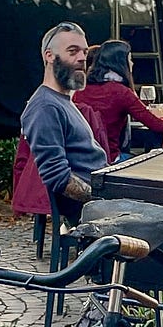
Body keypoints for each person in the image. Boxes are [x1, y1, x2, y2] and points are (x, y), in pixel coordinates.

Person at [13, 21, 108, 221]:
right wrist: (103, 200)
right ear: (49, 56)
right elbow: (58, 177)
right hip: (94, 211)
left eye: (84, 52)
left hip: (105, 195)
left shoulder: (62, 101)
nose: (82, 58)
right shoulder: (45, 107)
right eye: (73, 51)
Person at [73, 39, 163, 160]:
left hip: (82, 158)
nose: (132, 64)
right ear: (121, 63)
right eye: (129, 60)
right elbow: (158, 126)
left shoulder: (80, 90)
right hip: (110, 159)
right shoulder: (121, 92)